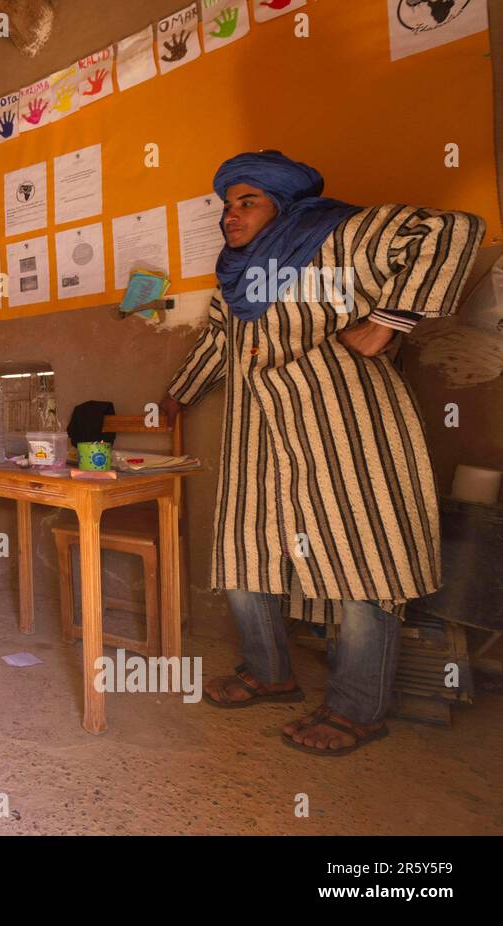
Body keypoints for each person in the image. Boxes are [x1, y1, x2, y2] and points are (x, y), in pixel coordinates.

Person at [158, 151, 483, 756]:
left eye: (246, 201)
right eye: (226, 205)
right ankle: (270, 673)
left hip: (347, 425)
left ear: (284, 204)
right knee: (243, 551)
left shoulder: (339, 235)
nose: (230, 215)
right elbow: (219, 338)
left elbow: (450, 229)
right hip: (259, 432)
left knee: (363, 559)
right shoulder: (236, 271)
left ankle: (357, 710)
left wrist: (388, 320)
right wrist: (178, 394)